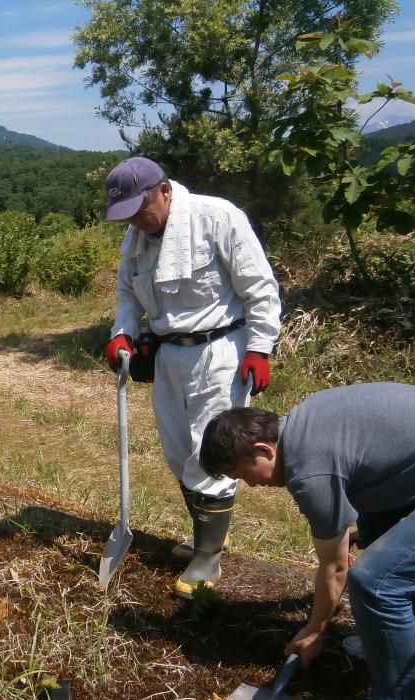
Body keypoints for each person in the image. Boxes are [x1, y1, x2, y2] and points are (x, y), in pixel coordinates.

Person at [199, 384, 415, 700]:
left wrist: (315, 630)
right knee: (377, 528)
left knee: (376, 581)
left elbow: (336, 567)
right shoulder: (303, 422)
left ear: (263, 449)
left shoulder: (309, 471)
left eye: (243, 475)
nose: (250, 486)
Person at [102, 156, 281, 599]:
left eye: (142, 211)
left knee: (214, 449)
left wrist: (260, 348)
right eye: (128, 217)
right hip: (169, 355)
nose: (139, 223)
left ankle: (209, 557)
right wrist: (122, 333)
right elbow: (127, 292)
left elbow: (260, 287)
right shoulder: (137, 237)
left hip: (219, 351)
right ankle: (206, 536)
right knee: (179, 449)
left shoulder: (217, 217)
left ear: (163, 190)